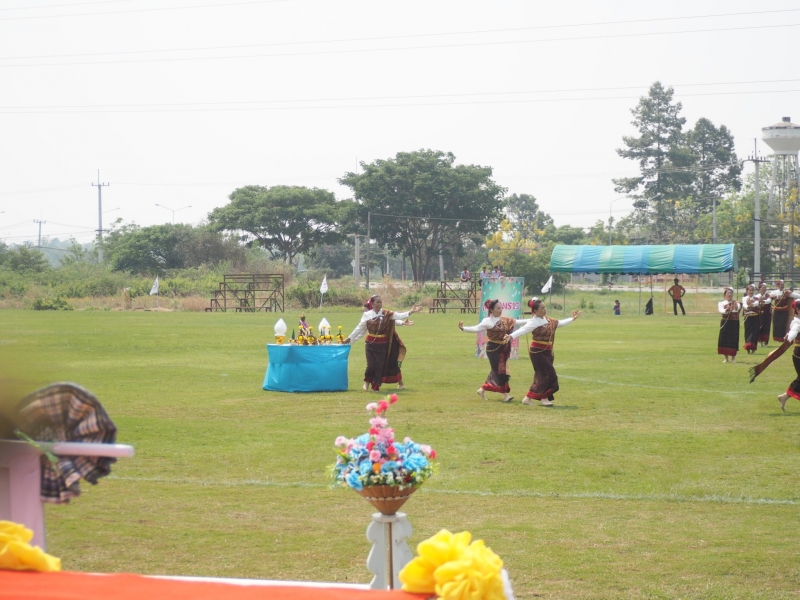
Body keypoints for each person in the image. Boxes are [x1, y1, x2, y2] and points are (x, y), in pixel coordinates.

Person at [504, 299, 581, 407]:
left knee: (541, 376)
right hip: (537, 352)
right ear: (535, 311)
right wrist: (511, 336)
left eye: (545, 307)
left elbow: (560, 323)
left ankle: (532, 398)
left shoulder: (548, 320)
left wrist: (572, 318)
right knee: (549, 373)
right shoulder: (533, 322)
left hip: (548, 351)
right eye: (542, 308)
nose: (545, 310)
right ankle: (541, 398)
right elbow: (523, 330)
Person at [344, 295, 422, 392]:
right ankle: (367, 382)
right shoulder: (367, 315)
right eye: (377, 302)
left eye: (380, 302)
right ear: (372, 304)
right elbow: (359, 328)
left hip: (382, 344)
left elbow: (398, 316)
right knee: (371, 365)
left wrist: (411, 311)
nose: (379, 304)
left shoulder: (386, 313)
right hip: (370, 344)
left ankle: (375, 386)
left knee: (379, 366)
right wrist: (349, 339)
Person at [458, 299, 529, 403]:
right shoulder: (487, 321)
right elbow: (476, 329)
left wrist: (533, 321)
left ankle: (482, 390)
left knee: (498, 370)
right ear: (491, 310)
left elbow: (518, 322)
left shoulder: (504, 320)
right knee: (500, 371)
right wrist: (463, 328)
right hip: (493, 349)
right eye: (498, 308)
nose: (500, 310)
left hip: (503, 348)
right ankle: (505, 396)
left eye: (501, 308)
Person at [775, 302, 800, 412]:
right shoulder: (797, 323)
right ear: (798, 310)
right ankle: (784, 397)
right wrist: (789, 337)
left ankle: (784, 397)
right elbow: (793, 332)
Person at [717, 288, 741, 363]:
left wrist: (734, 306)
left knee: (733, 339)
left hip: (734, 323)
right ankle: (726, 358)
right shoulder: (721, 303)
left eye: (731, 293)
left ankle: (733, 358)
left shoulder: (737, 303)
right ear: (725, 295)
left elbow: (737, 309)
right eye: (728, 293)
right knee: (724, 339)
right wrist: (726, 310)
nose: (729, 294)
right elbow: (721, 310)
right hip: (725, 323)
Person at [742, 284, 759, 354]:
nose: (751, 292)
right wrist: (749, 306)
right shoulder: (744, 298)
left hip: (755, 317)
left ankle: (754, 349)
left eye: (752, 290)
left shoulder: (756, 298)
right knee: (748, 332)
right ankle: (748, 348)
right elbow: (744, 305)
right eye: (750, 290)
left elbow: (757, 303)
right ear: (747, 291)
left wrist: (752, 304)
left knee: (755, 332)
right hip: (748, 317)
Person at [756, 282, 772, 347]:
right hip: (759, 314)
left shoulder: (768, 296)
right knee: (759, 327)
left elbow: (768, 301)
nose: (764, 289)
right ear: (759, 289)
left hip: (767, 314)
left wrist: (762, 301)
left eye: (765, 288)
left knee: (766, 327)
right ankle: (760, 341)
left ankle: (765, 342)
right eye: (762, 288)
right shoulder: (757, 296)